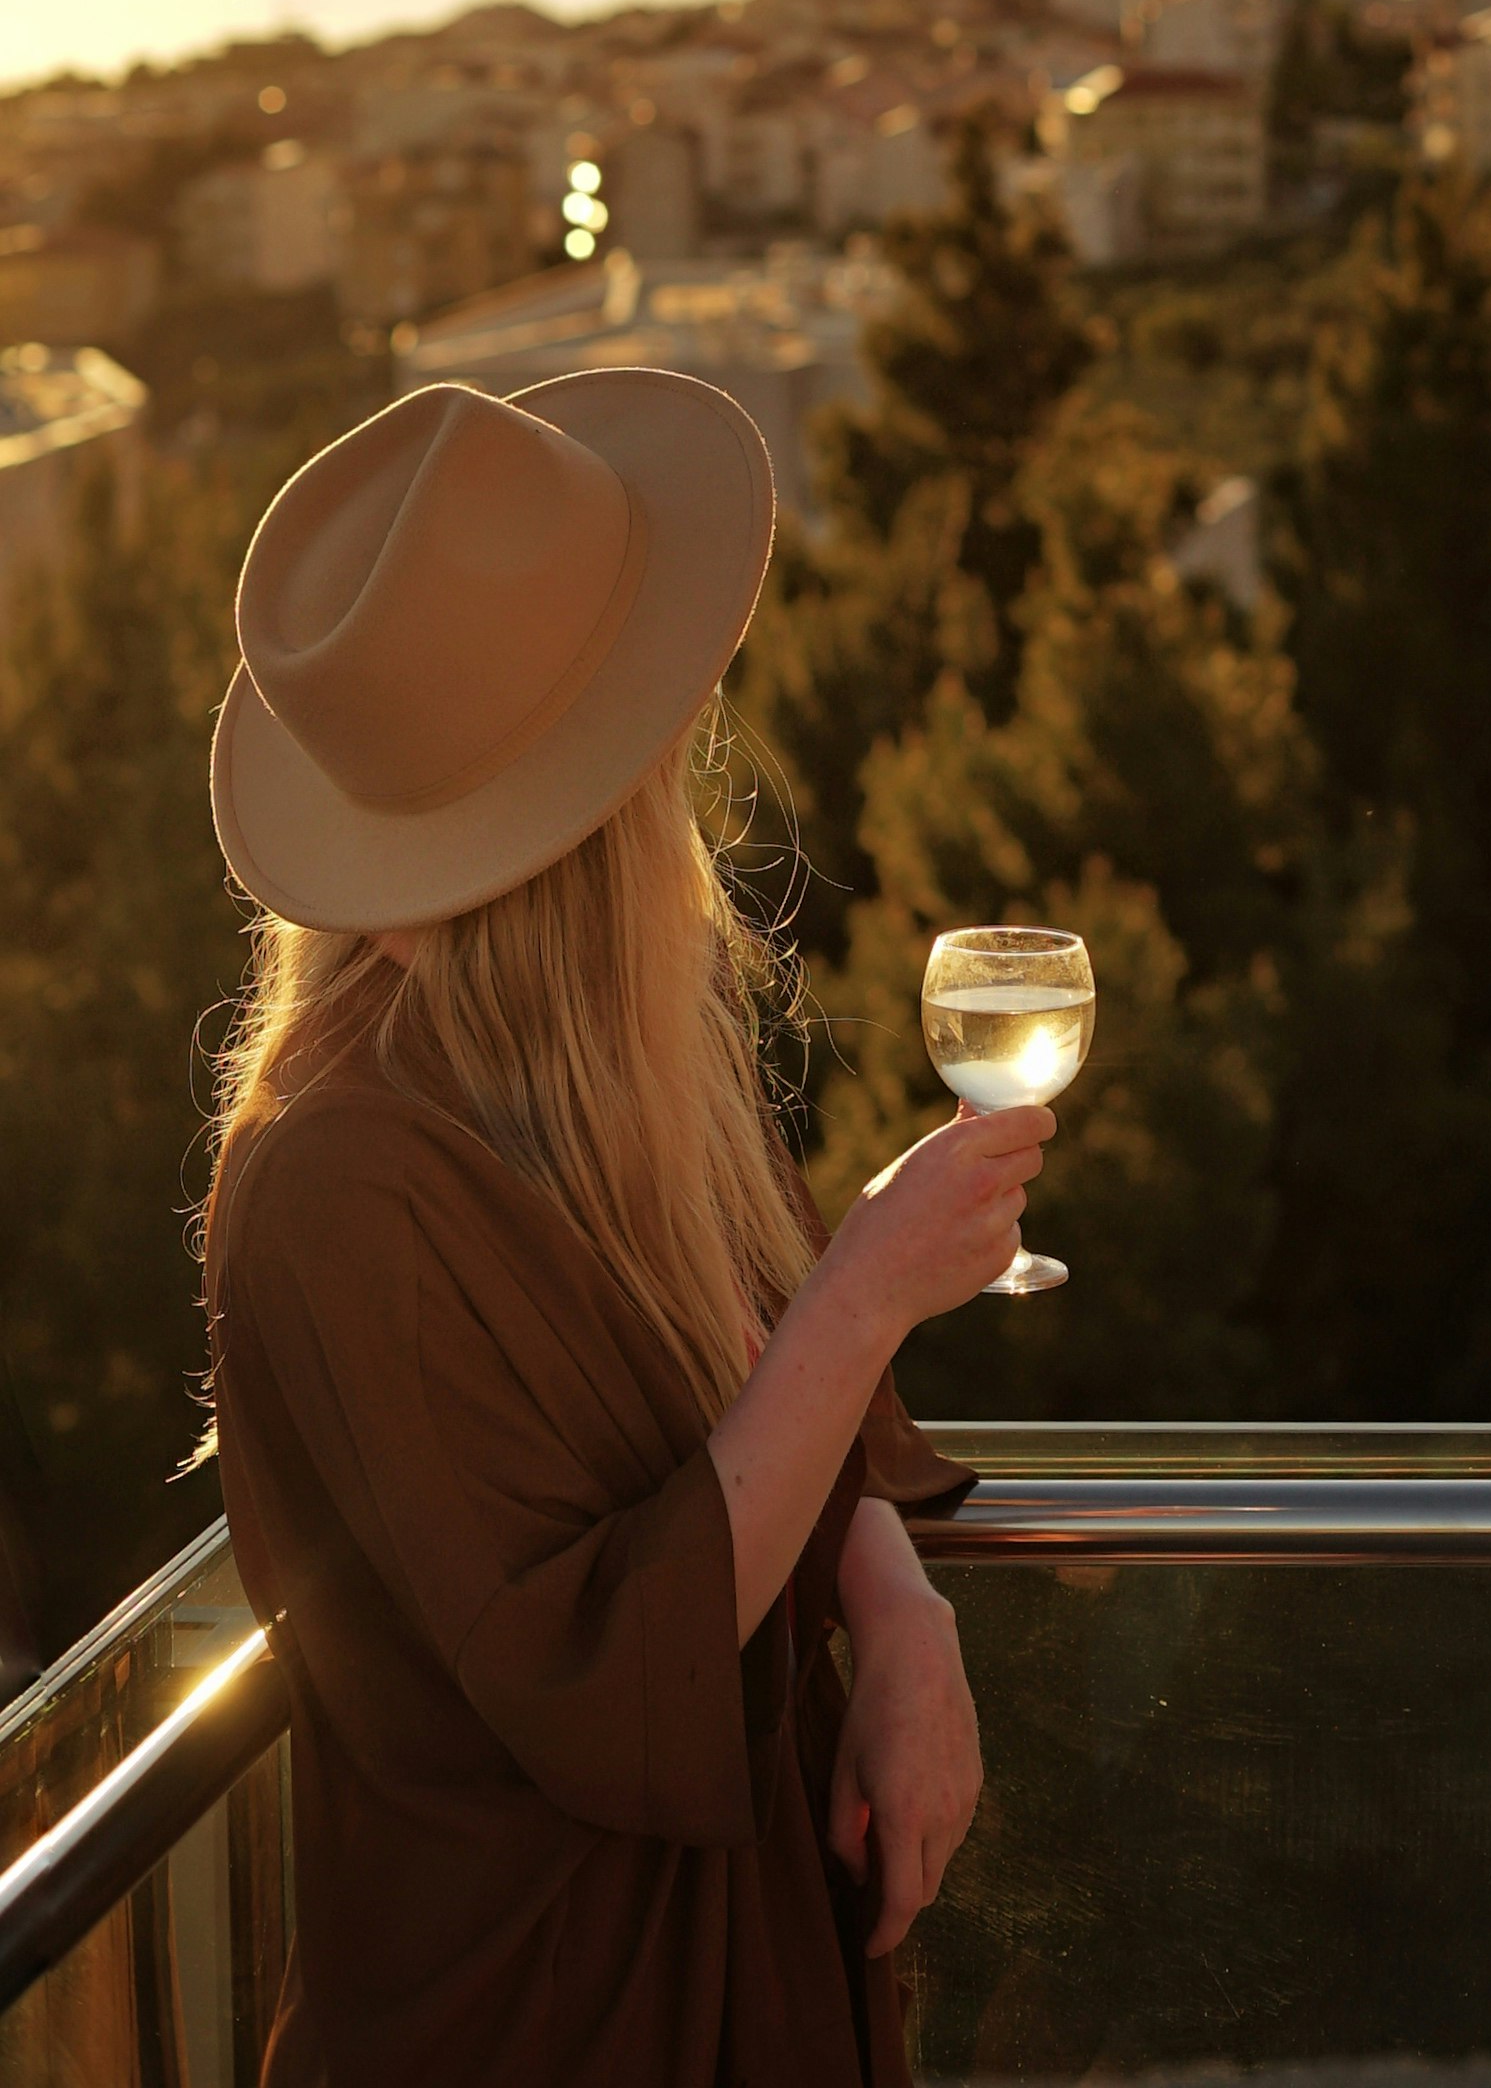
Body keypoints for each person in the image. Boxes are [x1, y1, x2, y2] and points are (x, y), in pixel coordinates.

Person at [202, 365, 1056, 2086]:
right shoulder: (339, 1183)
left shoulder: (623, 1049)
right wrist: (868, 1295)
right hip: (541, 2021)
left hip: (742, 1962)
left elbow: (746, 1360)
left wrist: (892, 1596)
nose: (686, 747)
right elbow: (594, 1677)